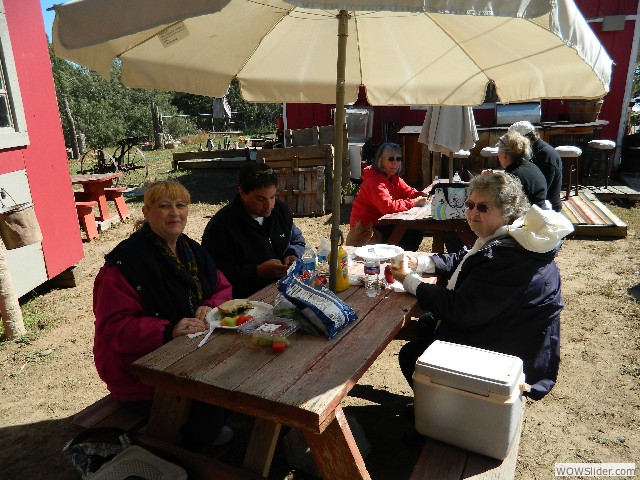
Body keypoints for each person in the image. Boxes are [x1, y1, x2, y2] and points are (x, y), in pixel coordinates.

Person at [392, 171, 573, 400]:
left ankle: (450, 414)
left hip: (504, 353)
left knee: (412, 355)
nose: (472, 213)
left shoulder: (506, 258)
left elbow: (459, 309)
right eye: (470, 205)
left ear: (507, 212)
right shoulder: (516, 236)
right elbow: (467, 256)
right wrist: (421, 262)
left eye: (483, 208)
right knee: (427, 322)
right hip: (504, 330)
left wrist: (409, 281)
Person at [93, 180, 234, 447]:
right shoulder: (125, 264)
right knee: (210, 411)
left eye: (181, 205)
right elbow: (114, 328)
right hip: (139, 372)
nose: (175, 213)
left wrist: (212, 305)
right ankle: (179, 442)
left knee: (232, 382)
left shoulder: (191, 250)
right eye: (164, 206)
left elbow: (222, 286)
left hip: (188, 353)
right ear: (146, 213)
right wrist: (167, 330)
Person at [202, 163, 306, 298]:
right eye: (260, 199)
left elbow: (296, 240)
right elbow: (214, 275)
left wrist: (292, 254)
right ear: (242, 193)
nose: (269, 206)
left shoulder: (280, 211)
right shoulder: (221, 226)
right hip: (247, 301)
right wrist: (257, 272)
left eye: (272, 197)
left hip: (283, 291)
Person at [349, 142, 430, 251]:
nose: (395, 163)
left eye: (398, 159)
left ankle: (397, 262)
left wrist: (423, 194)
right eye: (391, 159)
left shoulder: (392, 178)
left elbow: (408, 192)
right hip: (366, 231)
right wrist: (414, 202)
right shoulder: (375, 181)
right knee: (412, 234)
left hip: (380, 223)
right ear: (380, 161)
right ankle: (394, 262)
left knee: (414, 231)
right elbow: (387, 207)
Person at [509, 120, 563, 211]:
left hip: (547, 208)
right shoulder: (534, 151)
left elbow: (541, 188)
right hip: (536, 204)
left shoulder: (545, 155)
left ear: (525, 139)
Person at [493, 130, 549, 209]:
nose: (498, 155)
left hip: (527, 218)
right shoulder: (530, 166)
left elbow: (506, 206)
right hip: (539, 213)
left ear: (504, 155)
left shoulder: (513, 177)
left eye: (499, 151)